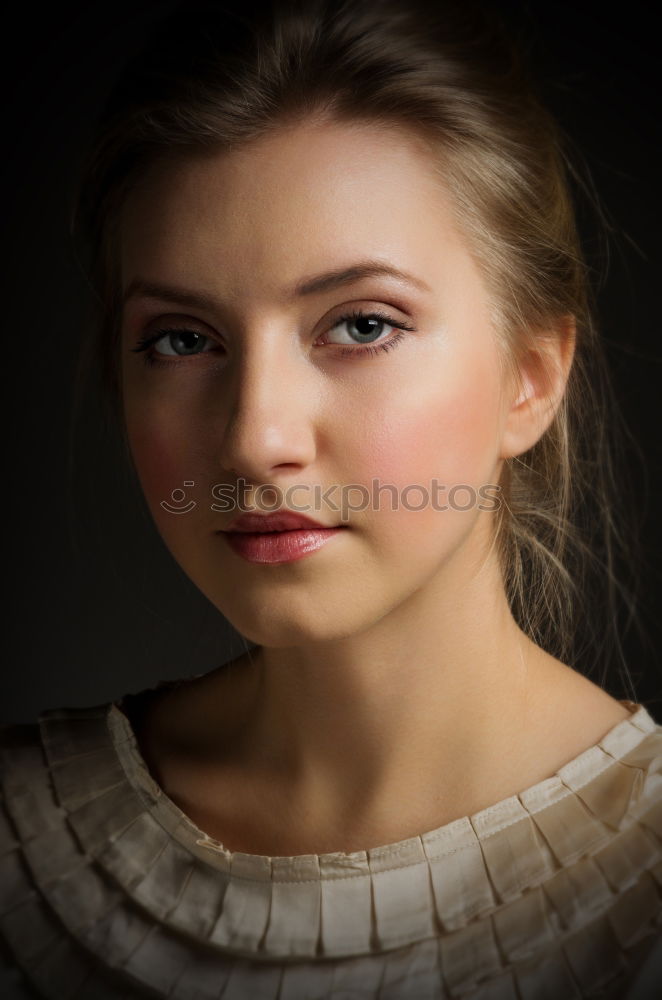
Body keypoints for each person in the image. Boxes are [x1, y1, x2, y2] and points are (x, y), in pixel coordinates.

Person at [1, 0, 660, 996]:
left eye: (359, 325)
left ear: (529, 373)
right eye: (182, 338)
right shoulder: (17, 846)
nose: (255, 438)